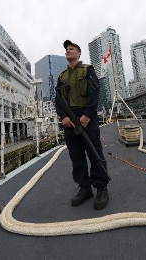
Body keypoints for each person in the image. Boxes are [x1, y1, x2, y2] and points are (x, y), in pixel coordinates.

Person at [55, 40, 110, 210]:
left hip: (87, 118)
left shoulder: (88, 70)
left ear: (79, 53)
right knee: (76, 156)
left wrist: (87, 115)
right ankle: (84, 187)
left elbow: (95, 92)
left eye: (71, 49)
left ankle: (101, 187)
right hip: (69, 121)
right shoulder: (61, 76)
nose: (68, 51)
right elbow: (58, 99)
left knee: (94, 153)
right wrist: (63, 117)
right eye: (66, 50)